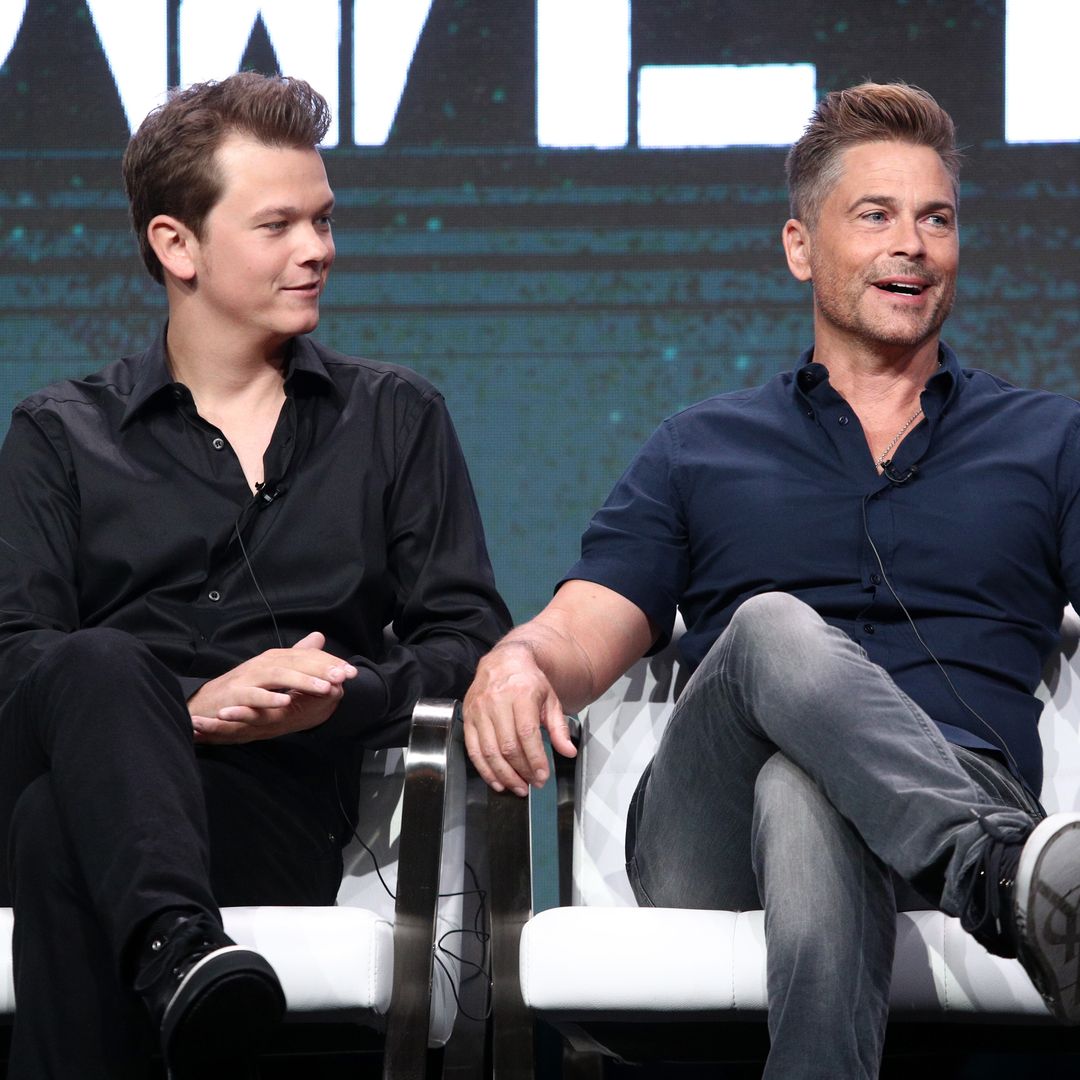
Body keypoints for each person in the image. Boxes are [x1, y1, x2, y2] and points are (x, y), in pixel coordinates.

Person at [464, 82, 1080, 1078]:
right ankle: (999, 874)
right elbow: (588, 620)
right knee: (768, 630)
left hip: (955, 777)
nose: (913, 244)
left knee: (809, 782)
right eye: (875, 215)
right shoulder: (703, 448)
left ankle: (970, 865)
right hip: (710, 837)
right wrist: (519, 658)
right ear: (801, 246)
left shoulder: (1048, 442)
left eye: (937, 219)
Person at [0, 72, 510, 1079]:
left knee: (57, 829)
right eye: (277, 225)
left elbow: (470, 640)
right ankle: (179, 947)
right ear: (175, 244)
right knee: (98, 671)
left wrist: (342, 696)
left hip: (269, 806)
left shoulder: (394, 419)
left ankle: (175, 949)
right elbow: (18, 660)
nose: (317, 250)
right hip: (80, 753)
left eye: (322, 220)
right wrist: (182, 705)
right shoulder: (60, 435)